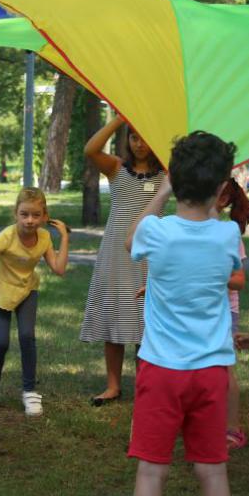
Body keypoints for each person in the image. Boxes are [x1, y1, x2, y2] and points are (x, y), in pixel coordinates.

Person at [100, 131, 240, 496]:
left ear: (173, 181)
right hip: (212, 371)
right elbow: (215, 231)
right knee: (212, 472)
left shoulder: (157, 232)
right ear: (222, 189)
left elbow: (130, 237)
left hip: (162, 370)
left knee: (152, 473)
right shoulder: (229, 234)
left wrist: (158, 193)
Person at [80, 113, 165, 406]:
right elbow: (90, 149)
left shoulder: (168, 172)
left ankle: (147, 386)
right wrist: (119, 118)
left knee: (148, 319)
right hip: (117, 249)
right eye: (134, 137)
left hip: (153, 252)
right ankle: (113, 385)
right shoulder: (116, 168)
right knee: (115, 313)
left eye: (144, 137)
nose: (140, 144)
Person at [0, 188, 69, 417]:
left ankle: (29, 391)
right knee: (1, 342)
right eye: (24, 214)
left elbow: (58, 268)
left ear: (44, 216)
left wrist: (64, 237)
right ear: (16, 213)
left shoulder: (45, 237)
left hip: (26, 291)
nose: (30, 220)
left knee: (27, 337)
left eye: (36, 215)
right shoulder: (7, 236)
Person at [213, 178, 249, 450]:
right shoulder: (192, 227)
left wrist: (211, 274)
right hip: (201, 308)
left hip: (225, 311)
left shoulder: (228, 233)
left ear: (225, 199)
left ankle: (232, 429)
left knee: (225, 370)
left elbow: (239, 281)